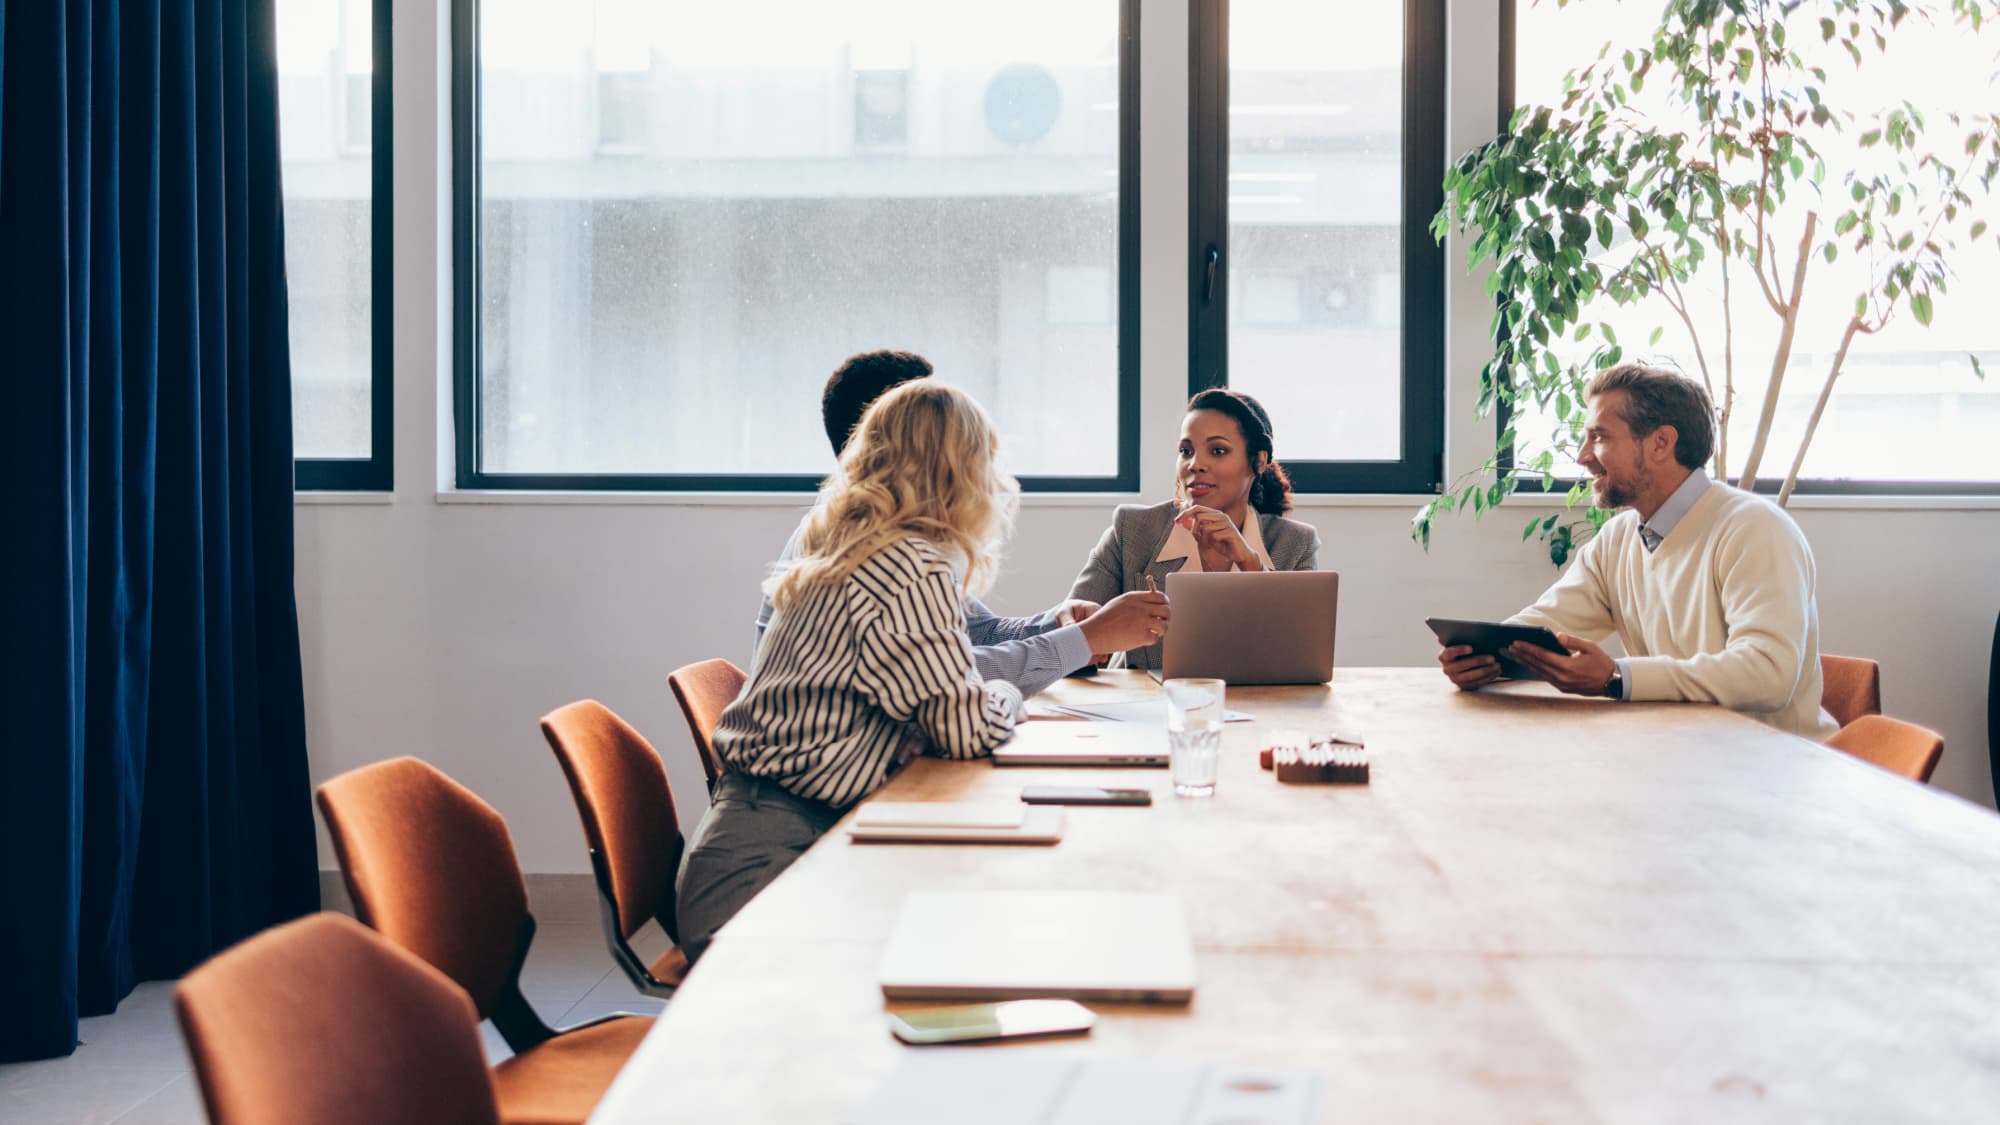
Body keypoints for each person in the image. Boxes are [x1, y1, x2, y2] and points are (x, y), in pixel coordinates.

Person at [678, 381, 1024, 961]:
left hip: (759, 848)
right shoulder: (909, 566)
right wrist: (1006, 692)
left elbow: (914, 704)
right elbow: (966, 729)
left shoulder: (849, 542)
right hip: (762, 886)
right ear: (960, 471)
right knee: (970, 938)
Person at [1437, 363, 1838, 741]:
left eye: (1599, 437)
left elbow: (1768, 675)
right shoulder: (1618, 539)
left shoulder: (1754, 528)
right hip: (1681, 759)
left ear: (1661, 443)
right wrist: (1486, 658)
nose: (1583, 457)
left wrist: (1616, 677)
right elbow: (1544, 627)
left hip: (1774, 771)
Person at [755, 350, 1168, 695]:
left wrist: (1055, 621)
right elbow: (954, 676)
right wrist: (1084, 640)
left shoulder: (892, 533)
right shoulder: (860, 546)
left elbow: (975, 631)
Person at [1066, 388, 1322, 670]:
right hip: (1146, 706)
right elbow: (1067, 637)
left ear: (1258, 461)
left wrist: (1251, 565)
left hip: (1253, 708)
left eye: (1218, 451)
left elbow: (1297, 660)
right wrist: (1087, 634)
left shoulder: (1295, 543)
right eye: (1186, 451)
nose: (1195, 464)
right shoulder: (1132, 530)